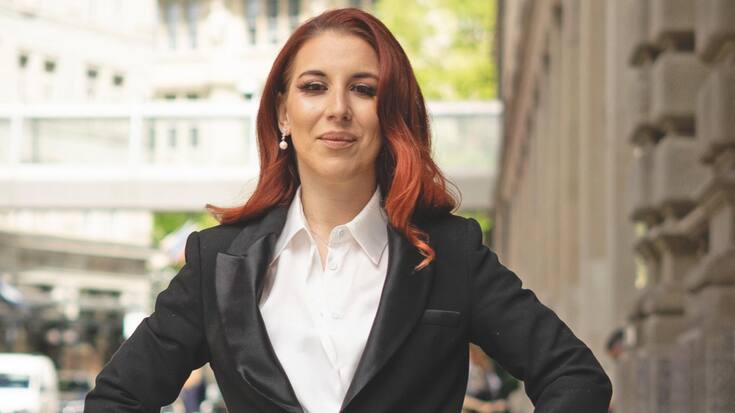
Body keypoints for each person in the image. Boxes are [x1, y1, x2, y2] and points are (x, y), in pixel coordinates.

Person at [84, 8, 612, 413]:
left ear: (390, 113)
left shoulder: (451, 252)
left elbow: (576, 378)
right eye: (314, 87)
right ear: (283, 113)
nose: (338, 108)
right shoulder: (217, 262)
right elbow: (115, 400)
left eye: (363, 89)